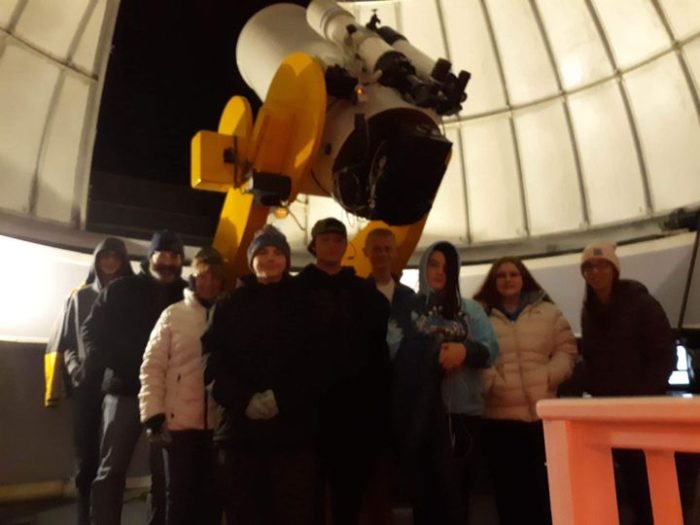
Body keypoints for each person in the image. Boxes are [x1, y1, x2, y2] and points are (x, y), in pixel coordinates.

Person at [204, 225, 320, 524]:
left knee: (291, 513)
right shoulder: (228, 304)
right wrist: (244, 400)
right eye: (263, 252)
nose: (270, 258)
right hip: (239, 434)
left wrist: (282, 399)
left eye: (277, 252)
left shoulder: (305, 303)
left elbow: (315, 362)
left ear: (286, 259)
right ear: (251, 259)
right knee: (244, 512)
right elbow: (212, 362)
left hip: (292, 434)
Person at [82, 230, 187, 525]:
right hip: (123, 391)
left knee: (164, 475)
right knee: (111, 470)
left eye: (175, 256)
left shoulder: (187, 294)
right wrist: (115, 365)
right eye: (162, 254)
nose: (168, 261)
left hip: (168, 397)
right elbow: (91, 332)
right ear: (150, 256)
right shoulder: (120, 289)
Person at [391, 241, 498, 525]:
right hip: (416, 416)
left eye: (447, 268)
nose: (440, 272)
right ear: (423, 266)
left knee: (456, 499)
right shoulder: (406, 309)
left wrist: (465, 351)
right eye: (434, 264)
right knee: (423, 498)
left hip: (460, 415)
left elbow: (491, 349)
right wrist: (426, 353)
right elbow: (391, 354)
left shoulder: (470, 310)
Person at [296, 217, 391, 525]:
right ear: (314, 245)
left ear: (346, 246)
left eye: (338, 240)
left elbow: (379, 351)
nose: (332, 245)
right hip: (309, 409)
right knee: (309, 490)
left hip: (355, 411)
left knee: (349, 490)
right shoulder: (295, 291)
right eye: (326, 240)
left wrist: (377, 404)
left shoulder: (365, 293)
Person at [474, 256, 577, 525]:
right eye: (501, 275)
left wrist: (547, 377)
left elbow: (566, 351)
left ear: (523, 279)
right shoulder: (478, 317)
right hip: (500, 420)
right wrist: (494, 382)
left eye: (513, 274)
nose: (508, 279)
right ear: (493, 282)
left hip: (542, 418)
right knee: (509, 494)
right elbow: (476, 357)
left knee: (546, 492)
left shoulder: (549, 313)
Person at [579, 241, 676, 525]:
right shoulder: (589, 310)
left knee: (652, 482)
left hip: (643, 411)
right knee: (630, 483)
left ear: (614, 269)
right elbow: (592, 361)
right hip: (610, 413)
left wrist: (641, 398)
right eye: (588, 267)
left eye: (601, 265)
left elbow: (664, 355)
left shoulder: (641, 303)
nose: (595, 272)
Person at [44, 237, 133, 525]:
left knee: (111, 463)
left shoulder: (132, 296)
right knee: (85, 461)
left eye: (115, 257)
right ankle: (84, 518)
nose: (110, 262)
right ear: (96, 260)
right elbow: (67, 341)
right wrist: (75, 371)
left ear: (123, 261)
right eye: (104, 256)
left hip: (119, 388)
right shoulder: (79, 297)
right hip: (86, 388)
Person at [138, 247, 225, 525]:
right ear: (193, 278)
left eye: (214, 277)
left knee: (212, 499)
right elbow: (152, 366)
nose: (208, 283)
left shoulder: (231, 313)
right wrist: (153, 414)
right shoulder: (173, 315)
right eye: (203, 276)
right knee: (178, 499)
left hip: (217, 425)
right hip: (178, 426)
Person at [362, 227, 416, 524]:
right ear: (366, 253)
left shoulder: (411, 298)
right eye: (376, 249)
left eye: (386, 248)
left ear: (394, 253)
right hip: (370, 399)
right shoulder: (357, 295)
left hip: (404, 395)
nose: (382, 254)